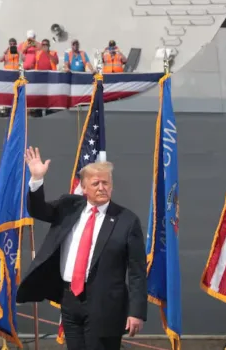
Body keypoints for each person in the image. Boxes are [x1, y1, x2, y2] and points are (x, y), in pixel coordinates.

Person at [16, 147, 147, 350]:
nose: (102, 187)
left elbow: (137, 271)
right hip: (70, 300)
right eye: (96, 183)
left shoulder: (127, 220)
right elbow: (38, 210)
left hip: (106, 304)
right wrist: (36, 179)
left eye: (106, 183)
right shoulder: (69, 207)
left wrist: (136, 311)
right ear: (84, 188)